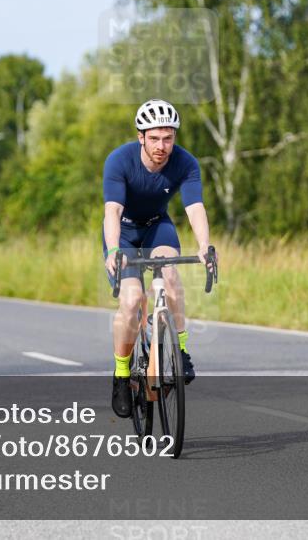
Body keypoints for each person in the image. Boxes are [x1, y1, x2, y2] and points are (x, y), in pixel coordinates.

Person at [102, 99, 215, 418]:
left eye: (168, 137)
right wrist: (112, 251)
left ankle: (180, 350)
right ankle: (122, 374)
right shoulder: (119, 161)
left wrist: (205, 245)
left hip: (157, 229)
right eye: (154, 138)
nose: (161, 146)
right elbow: (112, 210)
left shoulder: (186, 163)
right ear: (141, 136)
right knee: (133, 299)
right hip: (123, 233)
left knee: (171, 280)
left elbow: (195, 207)